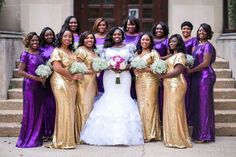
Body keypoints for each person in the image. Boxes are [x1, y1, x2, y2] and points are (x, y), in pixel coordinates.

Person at [80, 27, 144, 145]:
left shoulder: (129, 48)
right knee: (110, 97)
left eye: (119, 34)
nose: (117, 36)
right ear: (111, 36)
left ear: (122, 36)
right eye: (114, 35)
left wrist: (124, 67)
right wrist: (110, 66)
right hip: (109, 76)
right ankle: (105, 135)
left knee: (124, 98)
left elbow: (132, 63)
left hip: (124, 76)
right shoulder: (105, 49)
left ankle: (124, 135)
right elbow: (102, 63)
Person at [48, 28, 83, 149]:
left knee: (70, 108)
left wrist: (79, 73)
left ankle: (69, 138)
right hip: (60, 81)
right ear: (60, 38)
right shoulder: (57, 51)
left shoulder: (71, 51)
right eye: (65, 36)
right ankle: (62, 141)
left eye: (70, 37)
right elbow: (57, 68)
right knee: (64, 108)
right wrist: (72, 77)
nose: (68, 39)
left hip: (71, 82)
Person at [158, 34, 192, 148]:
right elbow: (164, 60)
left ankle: (178, 139)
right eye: (170, 41)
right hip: (169, 85)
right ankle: (171, 137)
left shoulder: (180, 55)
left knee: (175, 110)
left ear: (179, 43)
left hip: (176, 85)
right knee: (170, 109)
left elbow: (177, 71)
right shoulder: (172, 55)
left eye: (174, 41)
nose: (171, 43)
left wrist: (162, 76)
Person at [187, 23, 216, 143]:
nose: (201, 33)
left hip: (205, 76)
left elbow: (205, 63)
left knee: (204, 105)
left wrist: (191, 71)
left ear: (208, 33)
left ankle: (205, 135)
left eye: (204, 31)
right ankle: (198, 133)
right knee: (198, 105)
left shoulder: (208, 46)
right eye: (199, 31)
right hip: (196, 77)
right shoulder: (197, 45)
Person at [16, 32, 45, 148]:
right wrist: (36, 78)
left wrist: (44, 76)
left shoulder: (41, 53)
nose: (35, 42)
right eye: (33, 40)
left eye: (37, 40)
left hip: (40, 86)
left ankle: (36, 136)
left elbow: (45, 67)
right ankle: (27, 138)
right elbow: (20, 72)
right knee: (30, 110)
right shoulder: (25, 54)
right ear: (28, 41)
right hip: (30, 85)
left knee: (39, 110)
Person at [134, 33, 161, 142]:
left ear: (150, 42)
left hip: (151, 81)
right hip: (139, 81)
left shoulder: (154, 53)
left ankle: (152, 133)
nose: (144, 42)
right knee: (141, 105)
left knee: (150, 104)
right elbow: (134, 68)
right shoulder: (137, 53)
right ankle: (143, 132)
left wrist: (144, 69)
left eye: (147, 40)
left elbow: (158, 68)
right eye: (143, 40)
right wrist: (135, 70)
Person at [74, 31, 98, 131]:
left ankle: (88, 132)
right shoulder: (81, 50)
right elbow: (77, 68)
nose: (90, 40)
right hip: (83, 81)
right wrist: (93, 71)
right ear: (83, 40)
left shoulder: (93, 51)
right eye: (87, 38)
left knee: (90, 106)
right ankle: (81, 131)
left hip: (92, 80)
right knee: (83, 105)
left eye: (91, 38)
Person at [39, 27, 56, 141]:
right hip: (44, 80)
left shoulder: (57, 47)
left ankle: (53, 131)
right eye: (47, 35)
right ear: (43, 36)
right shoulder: (40, 48)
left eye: (51, 35)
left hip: (55, 79)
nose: (49, 37)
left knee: (53, 106)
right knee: (45, 106)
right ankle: (45, 132)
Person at [151, 21, 170, 121]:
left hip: (162, 68)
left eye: (161, 29)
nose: (159, 30)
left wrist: (159, 59)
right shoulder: (151, 40)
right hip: (150, 69)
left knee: (161, 91)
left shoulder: (167, 40)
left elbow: (170, 54)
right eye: (157, 28)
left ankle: (162, 116)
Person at [180, 21, 198, 125]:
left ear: (191, 30)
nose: (185, 30)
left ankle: (188, 117)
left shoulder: (194, 40)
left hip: (187, 68)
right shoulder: (179, 39)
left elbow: (194, 53)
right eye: (184, 28)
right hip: (178, 68)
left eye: (188, 29)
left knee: (187, 93)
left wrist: (188, 63)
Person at [93, 18, 109, 95]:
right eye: (99, 25)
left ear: (106, 26)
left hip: (108, 65)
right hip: (96, 65)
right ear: (96, 26)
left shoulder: (109, 37)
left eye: (103, 25)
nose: (101, 27)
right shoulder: (93, 37)